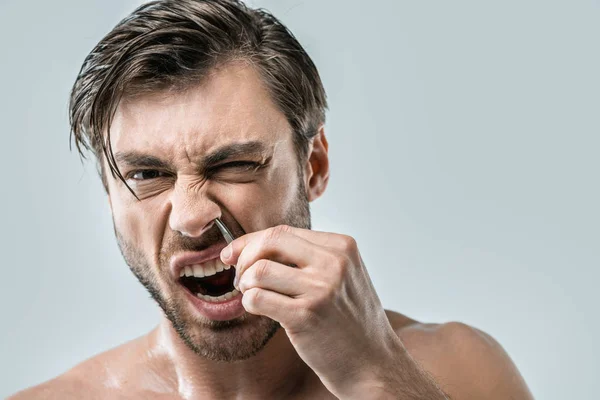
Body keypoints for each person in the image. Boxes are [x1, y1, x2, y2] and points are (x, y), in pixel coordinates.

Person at [10, 0, 534, 398]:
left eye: (235, 164)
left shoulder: (461, 372)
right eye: (146, 174)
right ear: (108, 194)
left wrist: (375, 377)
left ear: (314, 166)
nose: (193, 218)